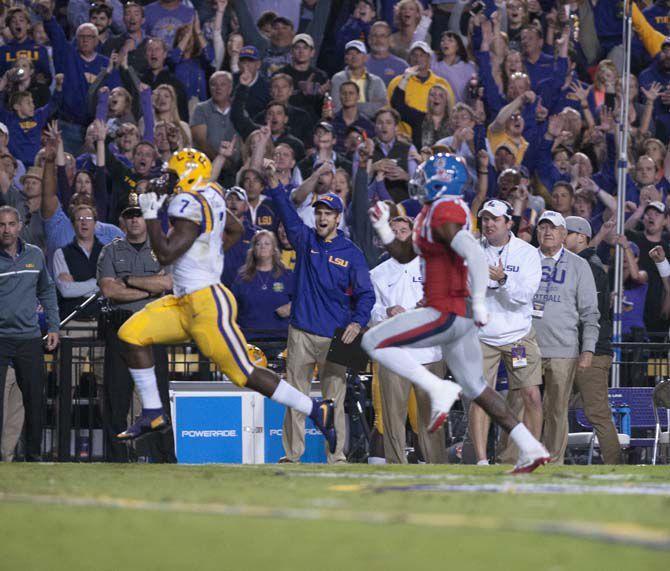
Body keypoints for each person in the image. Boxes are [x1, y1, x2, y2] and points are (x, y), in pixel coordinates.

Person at [115, 148, 336, 457]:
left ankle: (314, 408)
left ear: (189, 175)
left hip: (207, 304)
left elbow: (164, 253)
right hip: (181, 302)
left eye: (174, 174)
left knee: (244, 372)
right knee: (130, 334)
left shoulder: (188, 203)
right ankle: (153, 411)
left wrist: (151, 214)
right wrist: (209, 255)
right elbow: (235, 228)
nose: (168, 180)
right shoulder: (213, 194)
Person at [361, 153, 550, 474]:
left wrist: (477, 301)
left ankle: (437, 387)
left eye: (426, 175)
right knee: (478, 388)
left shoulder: (443, 212)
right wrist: (383, 227)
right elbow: (407, 255)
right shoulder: (428, 213)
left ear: (441, 181)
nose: (418, 180)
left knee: (375, 342)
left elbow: (474, 254)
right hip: (453, 314)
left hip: (445, 310)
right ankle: (531, 448)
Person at [265, 172, 375, 464]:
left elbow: (366, 295)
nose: (322, 218)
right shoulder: (304, 240)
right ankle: (292, 455)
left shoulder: (352, 253)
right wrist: (274, 184)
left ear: (338, 218)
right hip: (301, 332)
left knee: (335, 400)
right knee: (294, 398)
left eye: (328, 213)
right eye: (319, 213)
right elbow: (287, 214)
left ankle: (337, 456)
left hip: (339, 336)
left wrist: (356, 322)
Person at [97, 196, 175, 462]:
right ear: (123, 220)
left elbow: (167, 284)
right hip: (120, 328)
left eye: (138, 215)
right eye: (129, 215)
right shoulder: (110, 250)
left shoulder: (162, 249)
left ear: (146, 219)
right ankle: (116, 459)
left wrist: (128, 281)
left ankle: (163, 458)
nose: (133, 220)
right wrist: (148, 287)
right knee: (116, 398)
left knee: (159, 396)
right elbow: (109, 290)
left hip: (154, 330)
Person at [469, 199, 543, 466]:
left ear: (508, 223)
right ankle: (481, 460)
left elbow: (526, 296)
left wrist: (502, 281)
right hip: (482, 336)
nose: (488, 224)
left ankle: (532, 455)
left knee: (532, 395)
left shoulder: (527, 253)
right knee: (480, 397)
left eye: (494, 219)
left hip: (517, 334)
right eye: (484, 219)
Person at [369, 215, 446, 464]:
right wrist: (387, 312)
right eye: (394, 231)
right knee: (392, 417)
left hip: (430, 353)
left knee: (431, 418)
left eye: (404, 230)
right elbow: (371, 313)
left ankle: (436, 467)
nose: (399, 235)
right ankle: (395, 466)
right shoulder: (377, 273)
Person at [533, 211, 600, 464]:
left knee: (556, 409)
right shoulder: (526, 258)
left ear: (563, 234)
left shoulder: (579, 265)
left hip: (564, 347)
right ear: (537, 232)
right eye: (543, 227)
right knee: (520, 404)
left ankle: (552, 461)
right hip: (526, 345)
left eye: (554, 228)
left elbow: (590, 312)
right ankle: (518, 457)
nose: (548, 232)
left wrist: (588, 349)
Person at [0, 205, 60, 461]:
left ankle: (34, 456)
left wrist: (54, 326)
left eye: (11, 224)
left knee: (35, 399)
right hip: (1, 339)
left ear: (20, 226)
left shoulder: (35, 255)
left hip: (29, 338)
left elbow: (47, 291)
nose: (6, 230)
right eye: (2, 224)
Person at [564, 216, 622, 464]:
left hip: (593, 351)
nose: (560, 237)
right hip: (572, 349)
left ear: (580, 237)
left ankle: (615, 466)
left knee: (597, 413)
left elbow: (591, 313)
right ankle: (542, 460)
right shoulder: (579, 263)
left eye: (565, 232)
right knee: (549, 409)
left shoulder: (591, 266)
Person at [231, 230, 294, 341]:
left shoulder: (287, 275)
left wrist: (292, 306)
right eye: (258, 244)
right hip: (249, 338)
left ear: (274, 250)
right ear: (253, 250)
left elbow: (303, 301)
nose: (262, 247)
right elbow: (231, 304)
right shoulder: (242, 277)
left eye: (267, 243)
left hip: (280, 339)